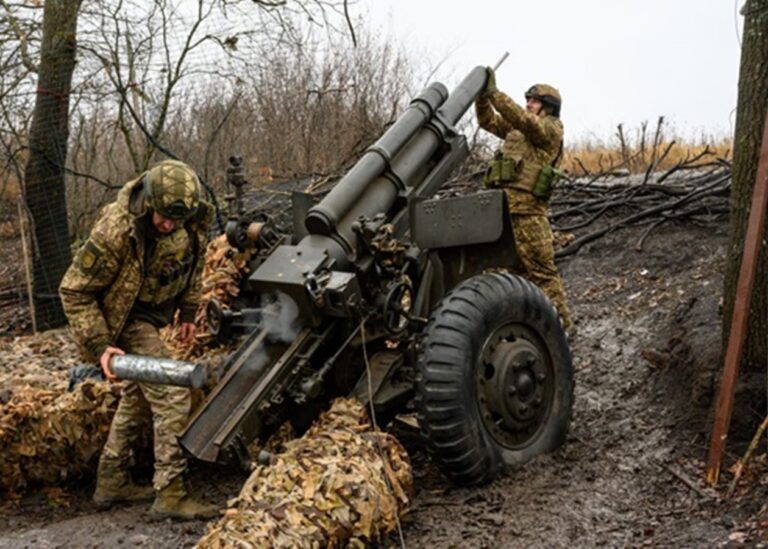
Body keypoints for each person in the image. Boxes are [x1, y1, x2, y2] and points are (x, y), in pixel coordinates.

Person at [59, 159, 218, 520]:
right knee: (174, 392)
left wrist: (190, 311)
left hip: (154, 314)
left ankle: (112, 481)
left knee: (137, 396)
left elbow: (194, 263)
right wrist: (100, 347)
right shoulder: (115, 230)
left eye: (177, 220)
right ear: (148, 201)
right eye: (163, 217)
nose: (169, 225)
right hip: (123, 320)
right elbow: (73, 291)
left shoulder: (192, 215)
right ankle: (171, 493)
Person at [475, 68, 574, 335]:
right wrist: (481, 97)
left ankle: (562, 331)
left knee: (542, 274)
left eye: (534, 101)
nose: (528, 104)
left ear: (549, 108)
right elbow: (488, 121)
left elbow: (523, 119)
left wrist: (495, 93)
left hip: (529, 214)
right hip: (503, 212)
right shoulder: (518, 131)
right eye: (528, 99)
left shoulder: (550, 129)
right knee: (508, 274)